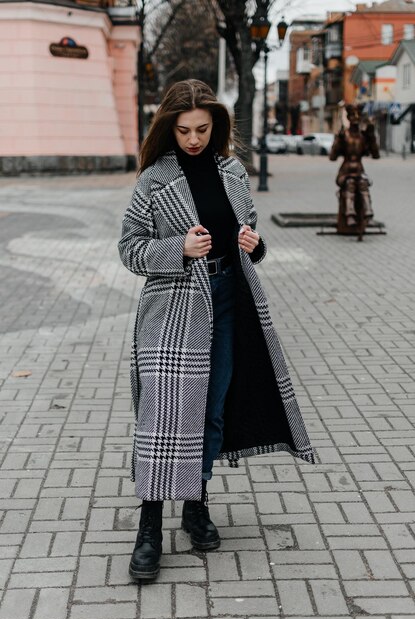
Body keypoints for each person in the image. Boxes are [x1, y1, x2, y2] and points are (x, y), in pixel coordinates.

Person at [118, 79, 314, 582]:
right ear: (169, 127)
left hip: (229, 302)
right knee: (163, 417)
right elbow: (130, 249)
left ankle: (196, 503)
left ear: (216, 126)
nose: (193, 139)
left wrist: (254, 243)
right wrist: (176, 250)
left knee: (211, 410)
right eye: (183, 130)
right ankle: (150, 525)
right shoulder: (153, 181)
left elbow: (248, 234)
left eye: (202, 129)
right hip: (172, 309)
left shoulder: (231, 172)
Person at [330, 104, 380, 236]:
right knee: (350, 184)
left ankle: (368, 212)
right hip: (345, 171)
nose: (356, 119)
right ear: (348, 117)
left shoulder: (363, 136)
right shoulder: (344, 134)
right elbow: (332, 157)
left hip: (359, 170)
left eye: (358, 116)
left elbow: (376, 155)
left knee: (363, 184)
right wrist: (338, 140)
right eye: (353, 116)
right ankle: (349, 214)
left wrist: (372, 136)